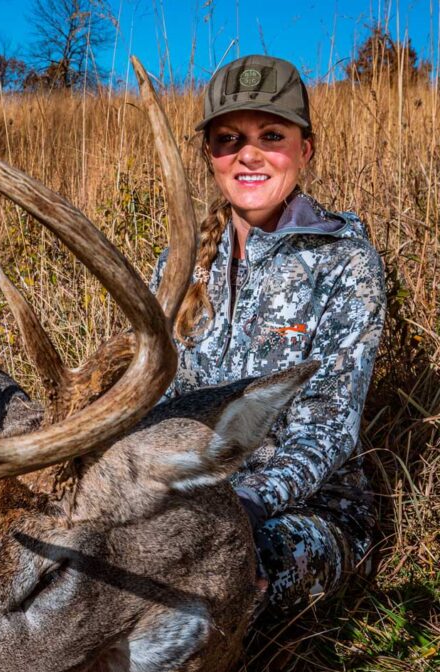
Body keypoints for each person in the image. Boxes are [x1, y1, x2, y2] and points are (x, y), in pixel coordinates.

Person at [150, 55, 386, 617]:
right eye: (229, 139)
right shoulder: (180, 263)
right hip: (186, 493)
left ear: (305, 148)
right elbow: (158, 395)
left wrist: (243, 504)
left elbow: (329, 427)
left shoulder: (345, 263)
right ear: (210, 155)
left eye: (271, 135)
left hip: (305, 511)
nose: (248, 155)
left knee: (216, 591)